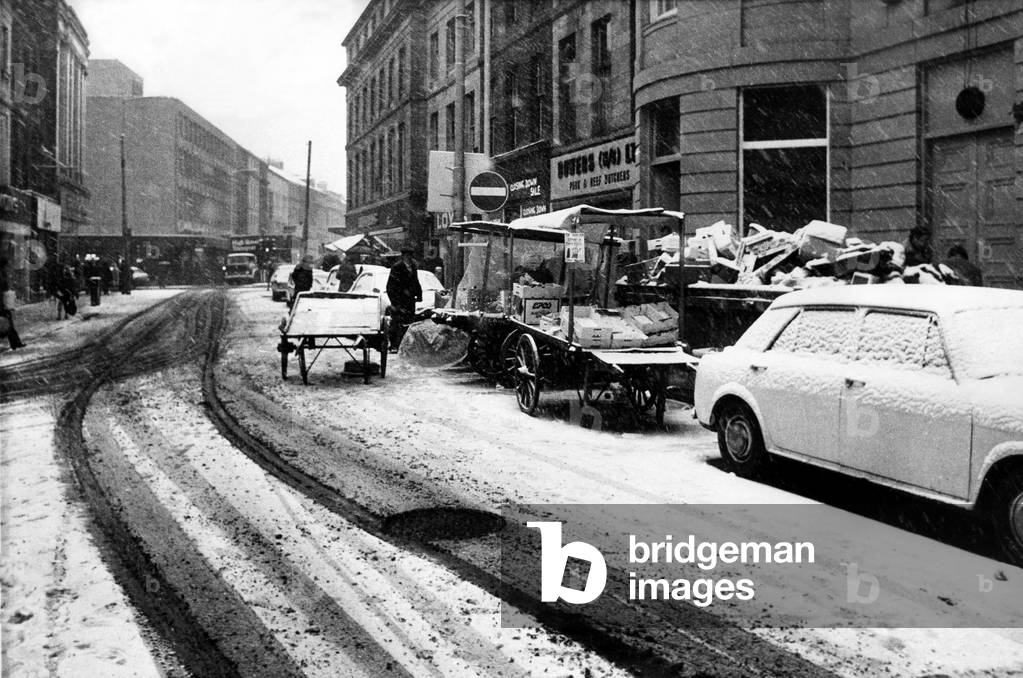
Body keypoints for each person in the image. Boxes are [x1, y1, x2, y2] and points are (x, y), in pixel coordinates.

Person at [385, 245, 422, 347]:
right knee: (396, 323)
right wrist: (395, 302)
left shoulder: (413, 267)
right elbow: (390, 286)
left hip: (410, 300)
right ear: (404, 256)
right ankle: (394, 345)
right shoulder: (397, 267)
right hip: (399, 301)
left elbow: (416, 281)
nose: (410, 257)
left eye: (411, 255)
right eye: (407, 255)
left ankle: (406, 345)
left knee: (409, 323)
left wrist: (419, 294)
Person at [0, 257, 25, 350]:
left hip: (3, 304)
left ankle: (16, 343)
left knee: (8, 324)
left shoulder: (2, 273)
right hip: (2, 304)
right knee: (9, 324)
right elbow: (3, 289)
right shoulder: (2, 274)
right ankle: (15, 343)